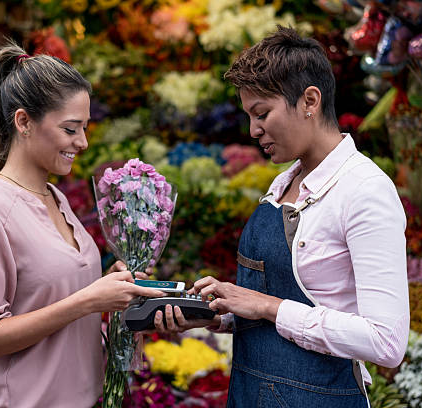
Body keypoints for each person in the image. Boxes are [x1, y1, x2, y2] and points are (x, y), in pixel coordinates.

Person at [154, 26, 409, 407]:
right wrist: (218, 313)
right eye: (249, 116)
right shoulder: (284, 182)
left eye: (261, 114)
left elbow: (385, 341)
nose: (253, 130)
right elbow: (275, 303)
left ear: (310, 100)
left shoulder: (365, 191)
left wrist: (265, 305)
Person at [0, 43, 164, 408]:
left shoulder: (55, 197)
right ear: (23, 122)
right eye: (70, 129)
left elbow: (52, 291)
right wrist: (88, 300)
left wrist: (116, 286)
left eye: (84, 127)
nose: (81, 143)